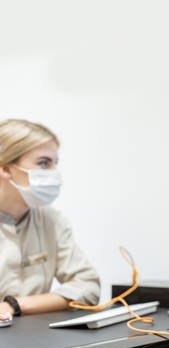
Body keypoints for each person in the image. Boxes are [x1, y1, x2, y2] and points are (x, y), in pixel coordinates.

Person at [0, 119, 100, 320]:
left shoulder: (50, 220)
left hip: (33, 341)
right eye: (44, 163)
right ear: (6, 169)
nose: (54, 172)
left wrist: (15, 305)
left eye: (55, 163)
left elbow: (88, 286)